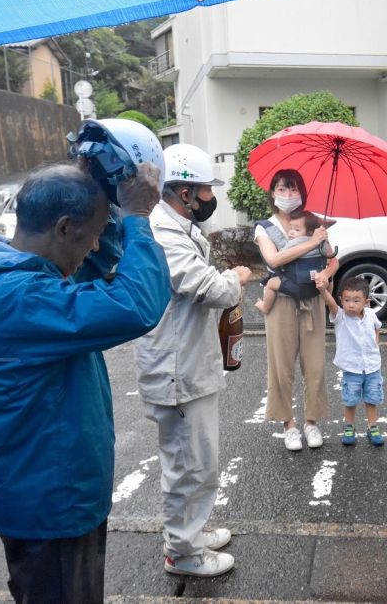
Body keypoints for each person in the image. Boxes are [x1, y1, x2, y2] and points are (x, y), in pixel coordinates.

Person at [0, 158, 169, 603]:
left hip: (42, 486)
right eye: (95, 232)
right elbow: (134, 305)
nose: (99, 242)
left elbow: (88, 262)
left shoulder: (19, 271)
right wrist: (138, 219)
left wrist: (101, 190)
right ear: (64, 227)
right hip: (50, 498)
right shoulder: (19, 296)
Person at [134, 144, 252, 577]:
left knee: (199, 460)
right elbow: (210, 288)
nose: (208, 197)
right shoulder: (163, 233)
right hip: (176, 369)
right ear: (184, 192)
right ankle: (183, 553)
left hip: (188, 363)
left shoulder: (180, 226)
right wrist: (235, 278)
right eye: (204, 190)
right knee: (188, 464)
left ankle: (192, 533)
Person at [255, 169, 337, 451]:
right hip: (281, 302)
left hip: (313, 299)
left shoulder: (312, 221)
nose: (288, 195)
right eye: (281, 188)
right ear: (272, 193)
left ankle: (312, 421)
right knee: (281, 365)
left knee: (315, 364)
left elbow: (332, 259)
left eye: (293, 189)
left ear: (301, 193)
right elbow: (274, 259)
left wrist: (327, 270)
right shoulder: (264, 227)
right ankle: (288, 424)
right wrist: (313, 242)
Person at [320, 276, 385, 446]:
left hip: (372, 367)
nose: (350, 304)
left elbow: (377, 328)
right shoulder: (340, 316)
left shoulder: (371, 315)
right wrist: (322, 290)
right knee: (350, 400)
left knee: (372, 399)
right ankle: (349, 427)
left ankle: (373, 427)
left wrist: (375, 345)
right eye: (347, 300)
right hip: (352, 368)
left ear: (366, 301)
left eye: (356, 300)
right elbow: (330, 304)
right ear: (341, 300)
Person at [255, 209, 331, 315]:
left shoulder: (294, 243)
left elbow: (280, 256)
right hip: (315, 286)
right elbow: (330, 256)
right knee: (329, 278)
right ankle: (328, 300)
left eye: (296, 229)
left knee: (271, 284)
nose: (291, 232)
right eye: (291, 228)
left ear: (309, 232)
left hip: (296, 285)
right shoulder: (321, 242)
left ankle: (265, 307)